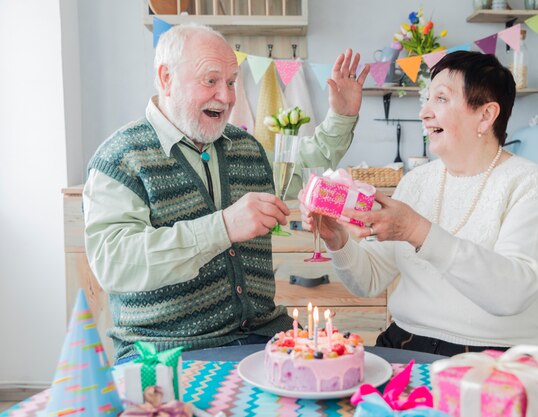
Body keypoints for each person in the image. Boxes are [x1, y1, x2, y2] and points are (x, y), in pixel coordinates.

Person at [82, 23, 370, 362]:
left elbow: (306, 166)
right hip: (163, 352)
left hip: (263, 341)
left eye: (232, 81)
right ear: (166, 78)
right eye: (211, 80)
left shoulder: (246, 148)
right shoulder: (120, 157)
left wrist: (342, 115)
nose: (227, 96)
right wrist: (222, 228)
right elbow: (114, 263)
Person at [302, 51, 538, 357]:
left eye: (441, 98)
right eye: (427, 99)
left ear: (486, 115)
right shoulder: (416, 182)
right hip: (406, 343)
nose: (424, 112)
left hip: (495, 358)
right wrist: (337, 240)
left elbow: (512, 294)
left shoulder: (529, 182)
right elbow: (369, 279)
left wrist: (417, 230)